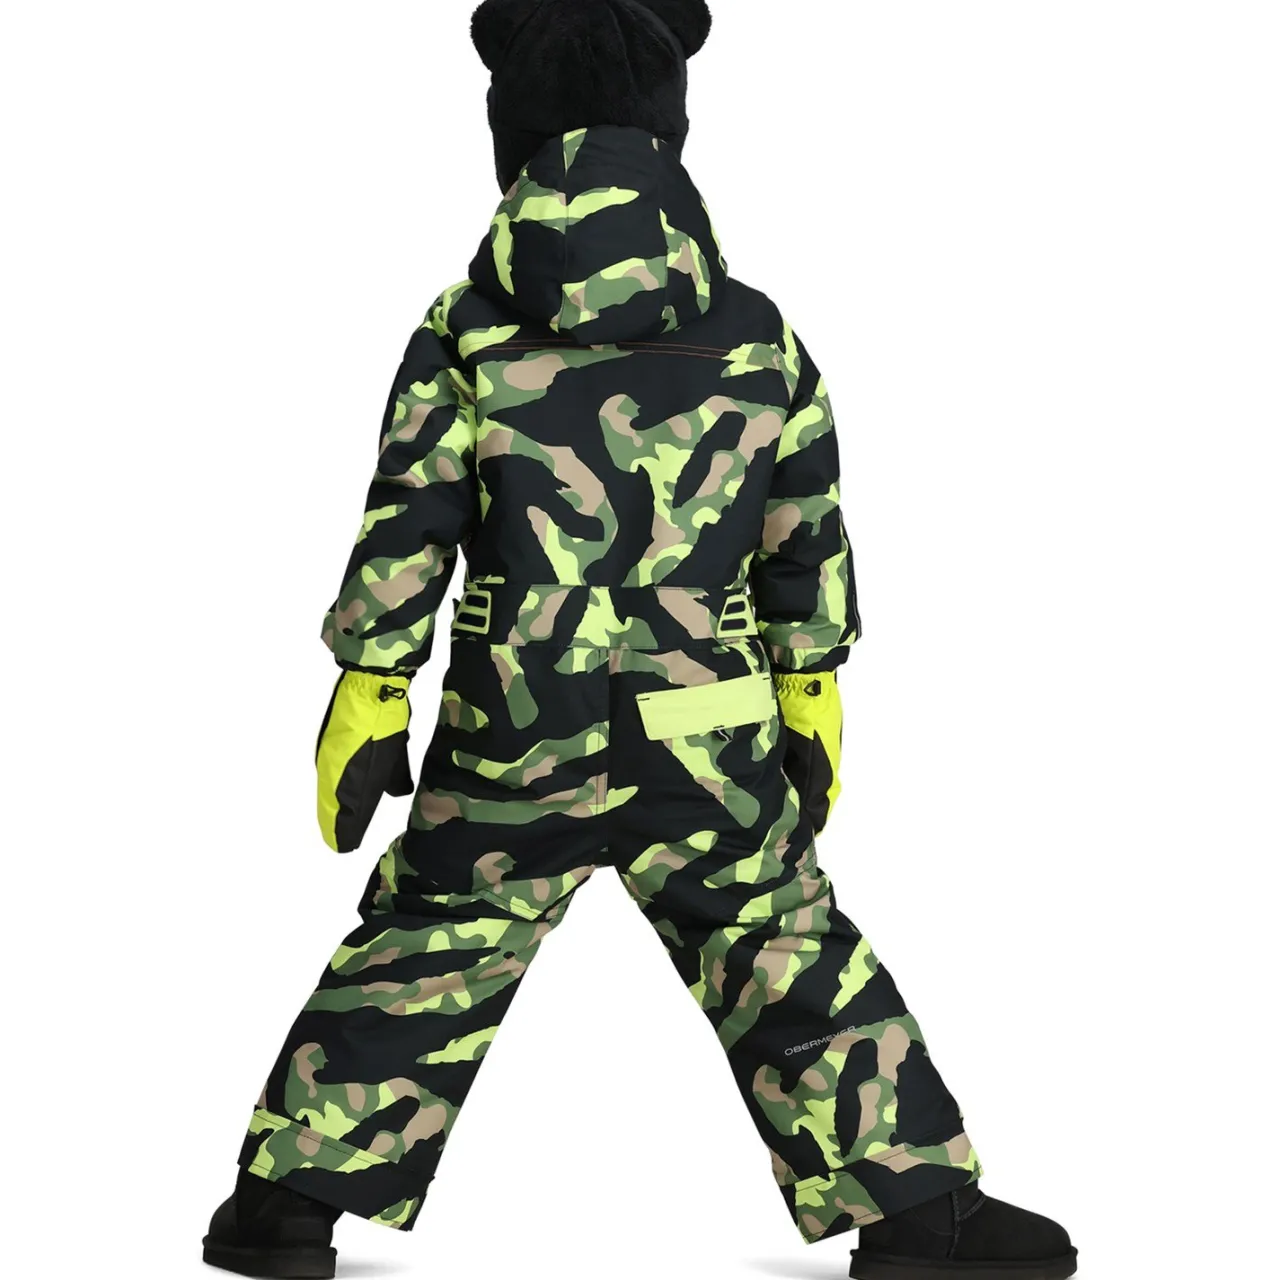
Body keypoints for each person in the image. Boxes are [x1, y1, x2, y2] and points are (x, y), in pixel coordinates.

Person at [203, 4, 1077, 1278]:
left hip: (514, 714)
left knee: (436, 934)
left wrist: (372, 682)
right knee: (773, 933)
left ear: (508, 137)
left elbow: (409, 519)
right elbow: (803, 524)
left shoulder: (463, 331)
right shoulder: (754, 332)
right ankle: (918, 1216)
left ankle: (282, 1207)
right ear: (671, 132)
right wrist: (809, 681)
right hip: (701, 710)